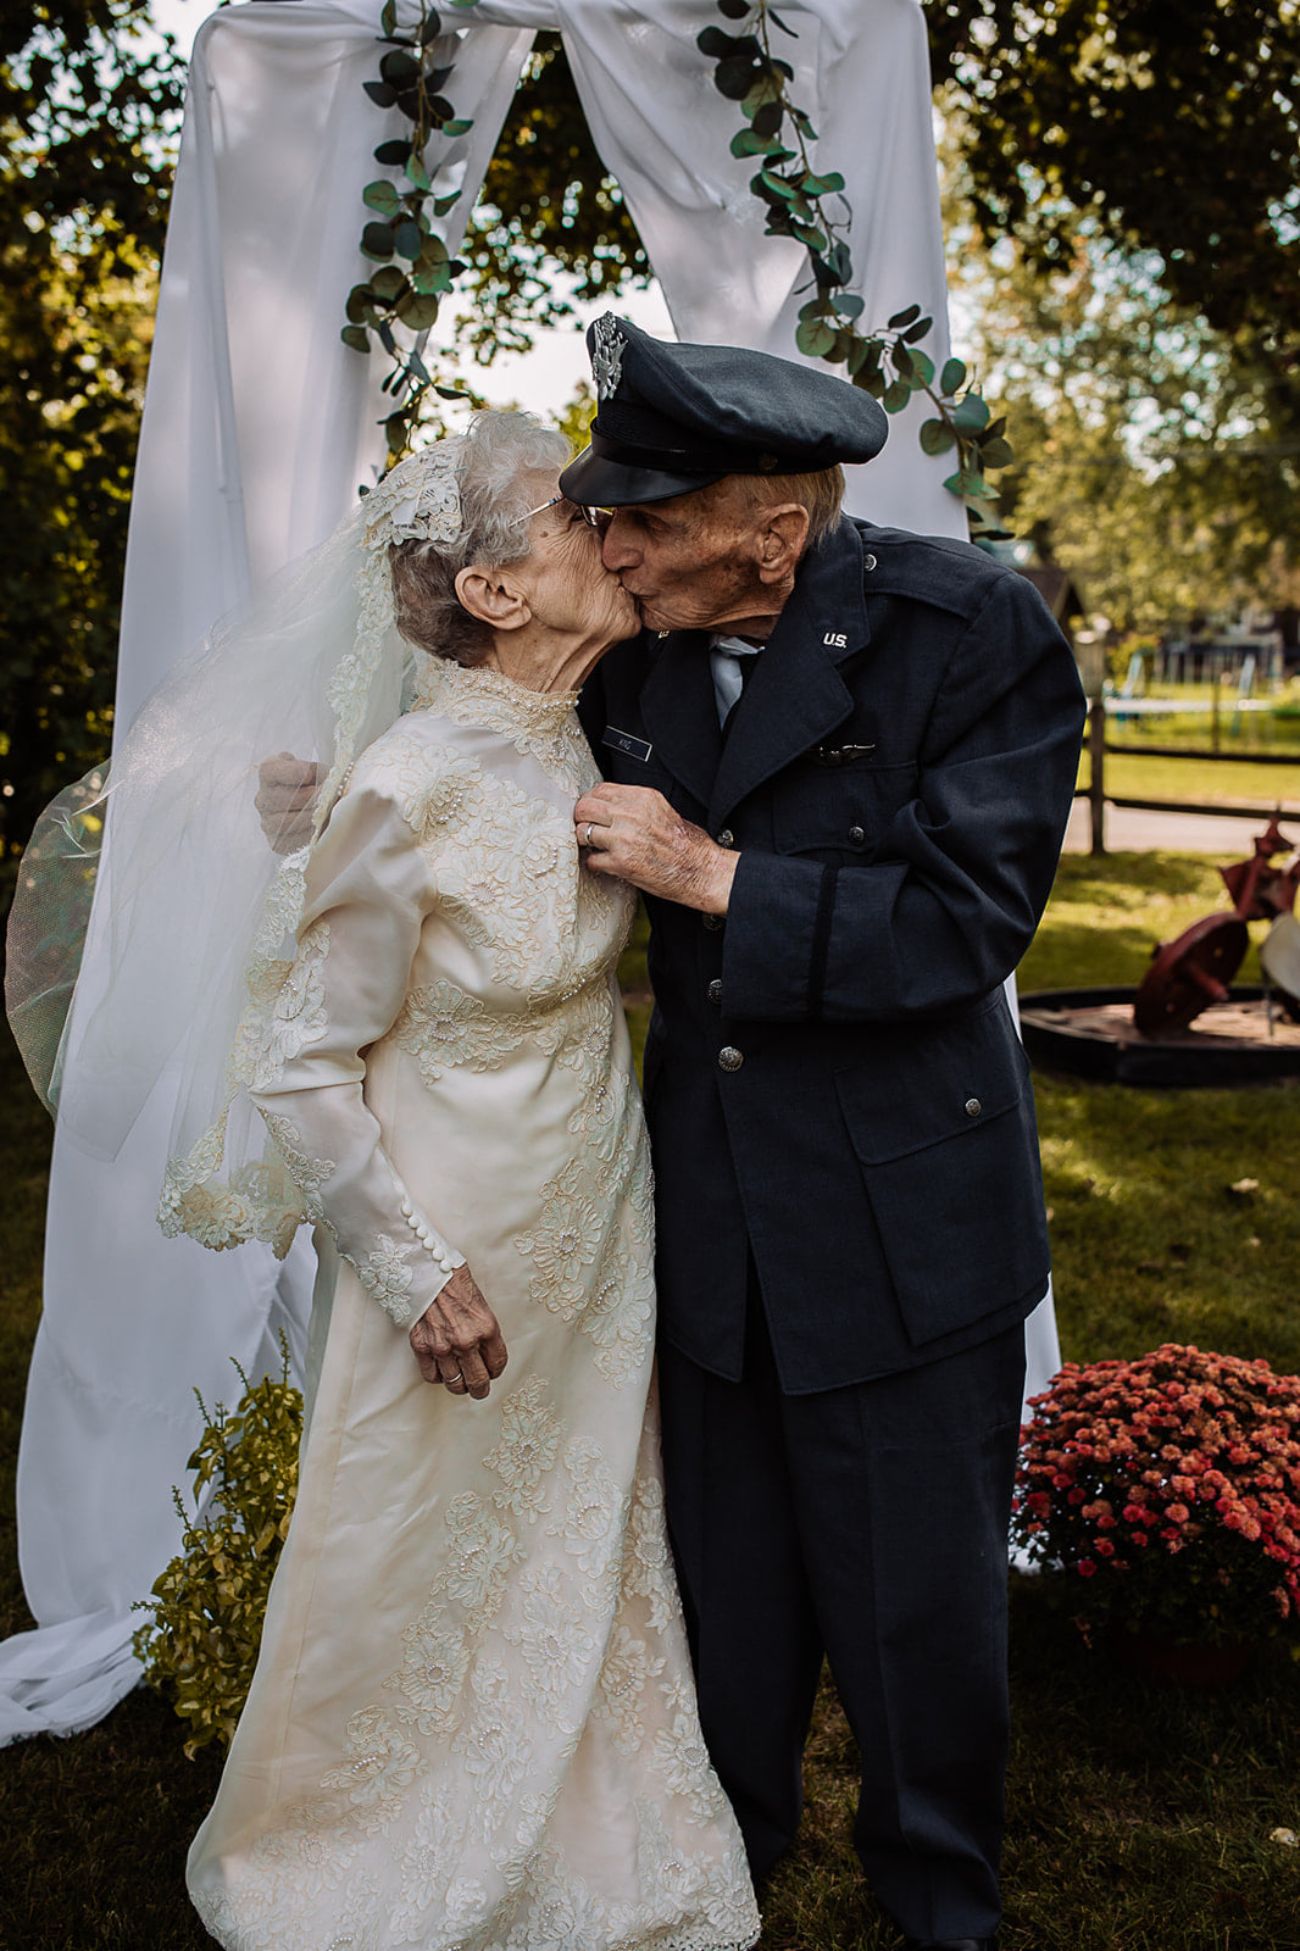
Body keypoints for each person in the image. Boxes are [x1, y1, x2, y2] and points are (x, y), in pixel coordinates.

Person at [11, 412, 759, 1951]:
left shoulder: (584, 733)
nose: (614, 531)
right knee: (416, 1531)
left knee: (584, 1521)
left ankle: (589, 1822)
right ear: (491, 595)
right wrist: (418, 1271)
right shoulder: (407, 780)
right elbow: (303, 1061)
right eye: (572, 519)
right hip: (455, 1222)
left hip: (593, 1208)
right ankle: (351, 1845)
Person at [554, 317, 1086, 1951]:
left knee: (916, 1613)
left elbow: (961, 928)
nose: (609, 544)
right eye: (606, 511)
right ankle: (725, 1879)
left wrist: (713, 877)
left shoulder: (973, 629)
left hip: (900, 1218)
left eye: (645, 520)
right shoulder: (624, 649)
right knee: (731, 1597)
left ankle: (940, 1900)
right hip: (708, 1209)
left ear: (771, 535)